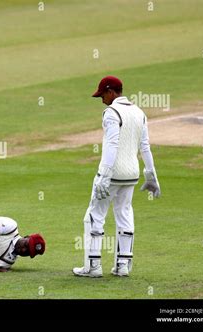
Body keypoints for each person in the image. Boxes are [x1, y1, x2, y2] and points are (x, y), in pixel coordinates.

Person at [73, 76, 161, 277]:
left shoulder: (111, 112)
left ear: (111, 92)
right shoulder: (139, 112)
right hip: (131, 174)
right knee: (124, 213)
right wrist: (151, 174)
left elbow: (111, 145)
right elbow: (145, 146)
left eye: (102, 94)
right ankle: (123, 266)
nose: (101, 99)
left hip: (112, 174)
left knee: (94, 215)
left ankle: (92, 267)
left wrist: (104, 174)